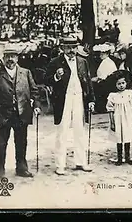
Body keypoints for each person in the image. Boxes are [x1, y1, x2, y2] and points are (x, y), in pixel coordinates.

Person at [0, 44, 41, 179]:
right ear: (3, 58)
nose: (10, 59)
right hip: (1, 115)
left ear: (17, 58)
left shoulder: (26, 73)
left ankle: (21, 168)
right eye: (8, 57)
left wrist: (37, 105)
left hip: (21, 114)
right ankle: (0, 172)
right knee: (2, 144)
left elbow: (34, 91)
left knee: (21, 142)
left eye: (13, 56)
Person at [45, 37, 96, 175]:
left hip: (79, 97)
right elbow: (46, 79)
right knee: (62, 132)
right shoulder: (55, 62)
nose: (71, 50)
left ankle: (81, 162)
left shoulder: (82, 61)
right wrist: (56, 76)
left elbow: (88, 82)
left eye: (74, 47)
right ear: (62, 48)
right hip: (63, 99)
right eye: (68, 47)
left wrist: (91, 99)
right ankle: (60, 165)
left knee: (80, 131)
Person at [106, 70, 132, 166]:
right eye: (119, 84)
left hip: (127, 118)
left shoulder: (129, 93)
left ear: (126, 83)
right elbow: (110, 109)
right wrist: (112, 122)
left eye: (123, 83)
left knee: (127, 137)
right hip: (118, 119)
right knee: (119, 138)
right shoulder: (113, 96)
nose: (121, 85)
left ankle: (127, 157)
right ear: (115, 84)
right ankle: (120, 158)